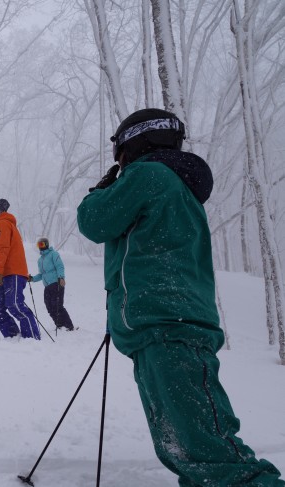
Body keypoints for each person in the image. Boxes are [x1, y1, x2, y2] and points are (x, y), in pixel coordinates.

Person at [77, 108, 284, 486]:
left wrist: (102, 190)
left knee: (213, 458)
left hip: (166, 326)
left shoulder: (150, 175)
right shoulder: (176, 187)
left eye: (120, 156)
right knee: (188, 454)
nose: (120, 164)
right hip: (166, 326)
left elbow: (95, 221)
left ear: (134, 145)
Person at [0, 199, 40, 340]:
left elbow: (3, 249)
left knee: (15, 305)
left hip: (13, 273)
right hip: (6, 274)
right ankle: (13, 337)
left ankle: (32, 339)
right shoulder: (3, 224)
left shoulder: (3, 223)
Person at [29, 237, 75, 332]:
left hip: (56, 283)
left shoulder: (54, 254)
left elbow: (60, 266)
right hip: (47, 286)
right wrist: (32, 279)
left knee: (57, 305)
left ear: (46, 244)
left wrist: (61, 277)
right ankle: (59, 325)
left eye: (42, 244)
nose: (40, 247)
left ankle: (68, 326)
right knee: (49, 306)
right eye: (39, 245)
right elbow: (42, 274)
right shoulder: (40, 260)